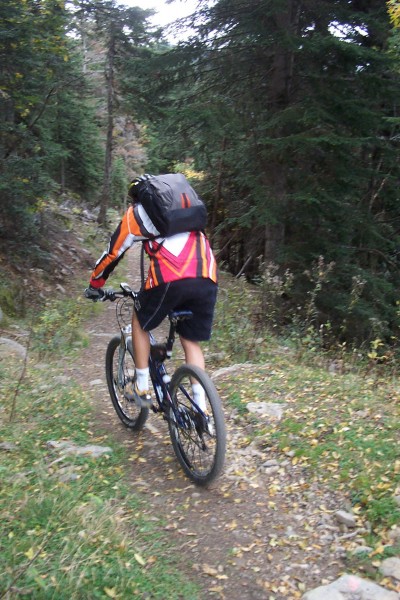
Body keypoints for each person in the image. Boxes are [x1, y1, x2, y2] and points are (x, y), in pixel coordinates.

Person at [85, 175, 218, 411]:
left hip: (170, 276)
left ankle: (142, 387)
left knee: (140, 322)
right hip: (207, 273)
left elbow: (112, 254)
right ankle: (202, 410)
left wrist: (95, 285)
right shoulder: (187, 212)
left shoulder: (136, 214)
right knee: (190, 340)